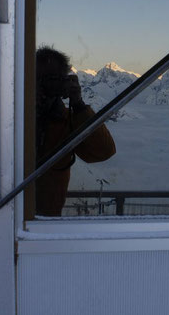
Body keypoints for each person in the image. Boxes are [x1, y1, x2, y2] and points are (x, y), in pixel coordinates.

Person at [35, 46, 116, 216]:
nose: (50, 85)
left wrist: (79, 106)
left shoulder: (65, 120)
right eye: (44, 78)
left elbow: (104, 151)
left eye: (56, 79)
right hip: (7, 212)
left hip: (47, 219)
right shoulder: (12, 116)